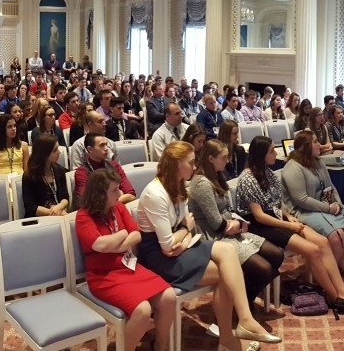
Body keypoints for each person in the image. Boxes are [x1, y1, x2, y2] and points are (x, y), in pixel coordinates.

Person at [136, 142, 281, 350]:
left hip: (181, 246)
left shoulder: (178, 186)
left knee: (228, 255)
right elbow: (168, 243)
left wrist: (184, 236)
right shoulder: (155, 193)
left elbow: (183, 228)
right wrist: (185, 231)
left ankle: (243, 321)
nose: (194, 167)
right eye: (191, 162)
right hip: (157, 257)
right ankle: (230, 336)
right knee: (227, 273)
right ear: (177, 164)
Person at [237, 136, 344, 314]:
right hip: (261, 225)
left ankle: (343, 292)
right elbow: (259, 216)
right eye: (271, 151)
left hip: (277, 219)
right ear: (261, 155)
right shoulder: (248, 178)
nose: (275, 153)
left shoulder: (267, 172)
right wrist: (289, 225)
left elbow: (277, 203)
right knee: (314, 250)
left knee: (322, 243)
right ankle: (335, 296)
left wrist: (287, 216)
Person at [75, 169, 175, 351]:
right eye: (114, 190)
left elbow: (136, 235)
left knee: (169, 297)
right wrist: (122, 234)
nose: (120, 193)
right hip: (103, 276)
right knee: (143, 310)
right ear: (100, 194)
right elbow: (99, 245)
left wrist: (118, 246)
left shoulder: (118, 207)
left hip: (129, 266)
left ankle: (160, 345)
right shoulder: (83, 216)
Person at [189, 139, 283, 307]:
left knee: (277, 255)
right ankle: (241, 305)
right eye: (224, 158)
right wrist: (238, 225)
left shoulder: (218, 175)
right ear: (211, 159)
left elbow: (228, 210)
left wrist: (238, 221)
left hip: (229, 228)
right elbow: (216, 223)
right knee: (264, 269)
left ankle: (242, 297)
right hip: (212, 236)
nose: (228, 161)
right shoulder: (201, 183)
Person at [281, 131, 344, 271]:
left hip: (324, 206)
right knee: (337, 236)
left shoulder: (318, 162)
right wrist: (328, 208)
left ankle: (338, 259)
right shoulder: (293, 167)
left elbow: (330, 186)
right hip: (302, 212)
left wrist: (338, 203)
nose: (319, 145)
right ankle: (327, 276)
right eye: (315, 142)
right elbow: (302, 200)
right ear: (305, 147)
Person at [74, 133, 137, 204]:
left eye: (106, 144)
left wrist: (111, 201)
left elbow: (131, 194)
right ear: (90, 149)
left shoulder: (114, 165)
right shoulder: (82, 173)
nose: (106, 148)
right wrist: (119, 195)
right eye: (101, 145)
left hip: (118, 209)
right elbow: (86, 202)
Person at [21, 134, 69, 217]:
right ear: (44, 153)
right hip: (39, 219)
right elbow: (31, 207)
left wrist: (59, 207)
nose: (59, 152)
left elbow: (65, 197)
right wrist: (55, 213)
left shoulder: (59, 170)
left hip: (59, 213)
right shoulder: (29, 176)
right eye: (55, 150)